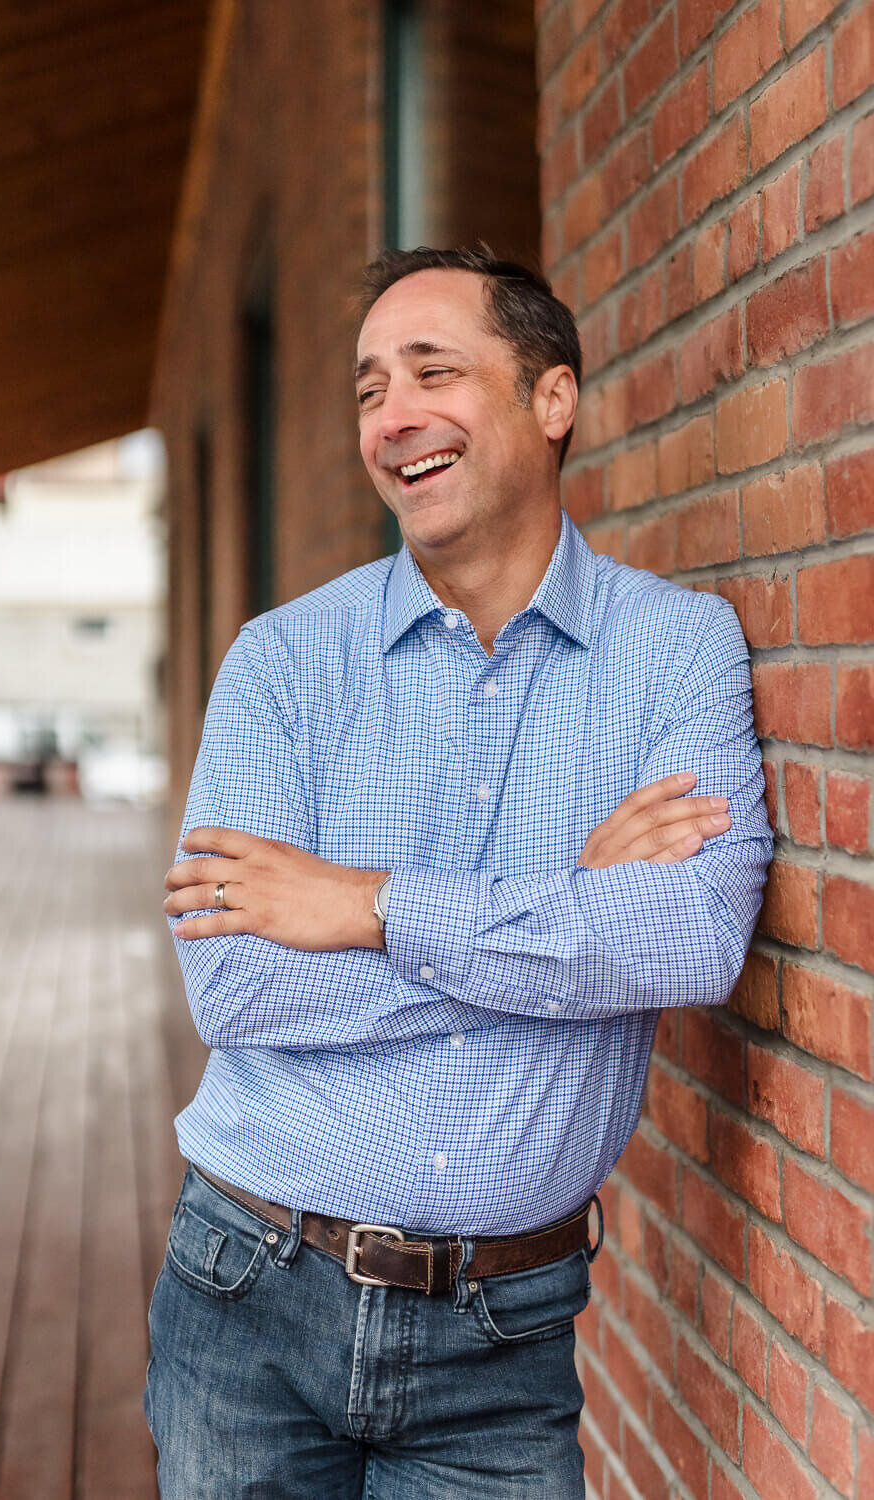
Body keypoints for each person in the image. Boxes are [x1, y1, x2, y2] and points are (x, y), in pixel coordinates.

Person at [146, 246, 772, 1498]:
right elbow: (239, 994)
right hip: (249, 1294)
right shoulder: (281, 665)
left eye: (434, 371)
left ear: (553, 399)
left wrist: (364, 906)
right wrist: (569, 908)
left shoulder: (675, 650)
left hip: (506, 1335)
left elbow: (691, 941)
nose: (393, 416)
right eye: (371, 388)